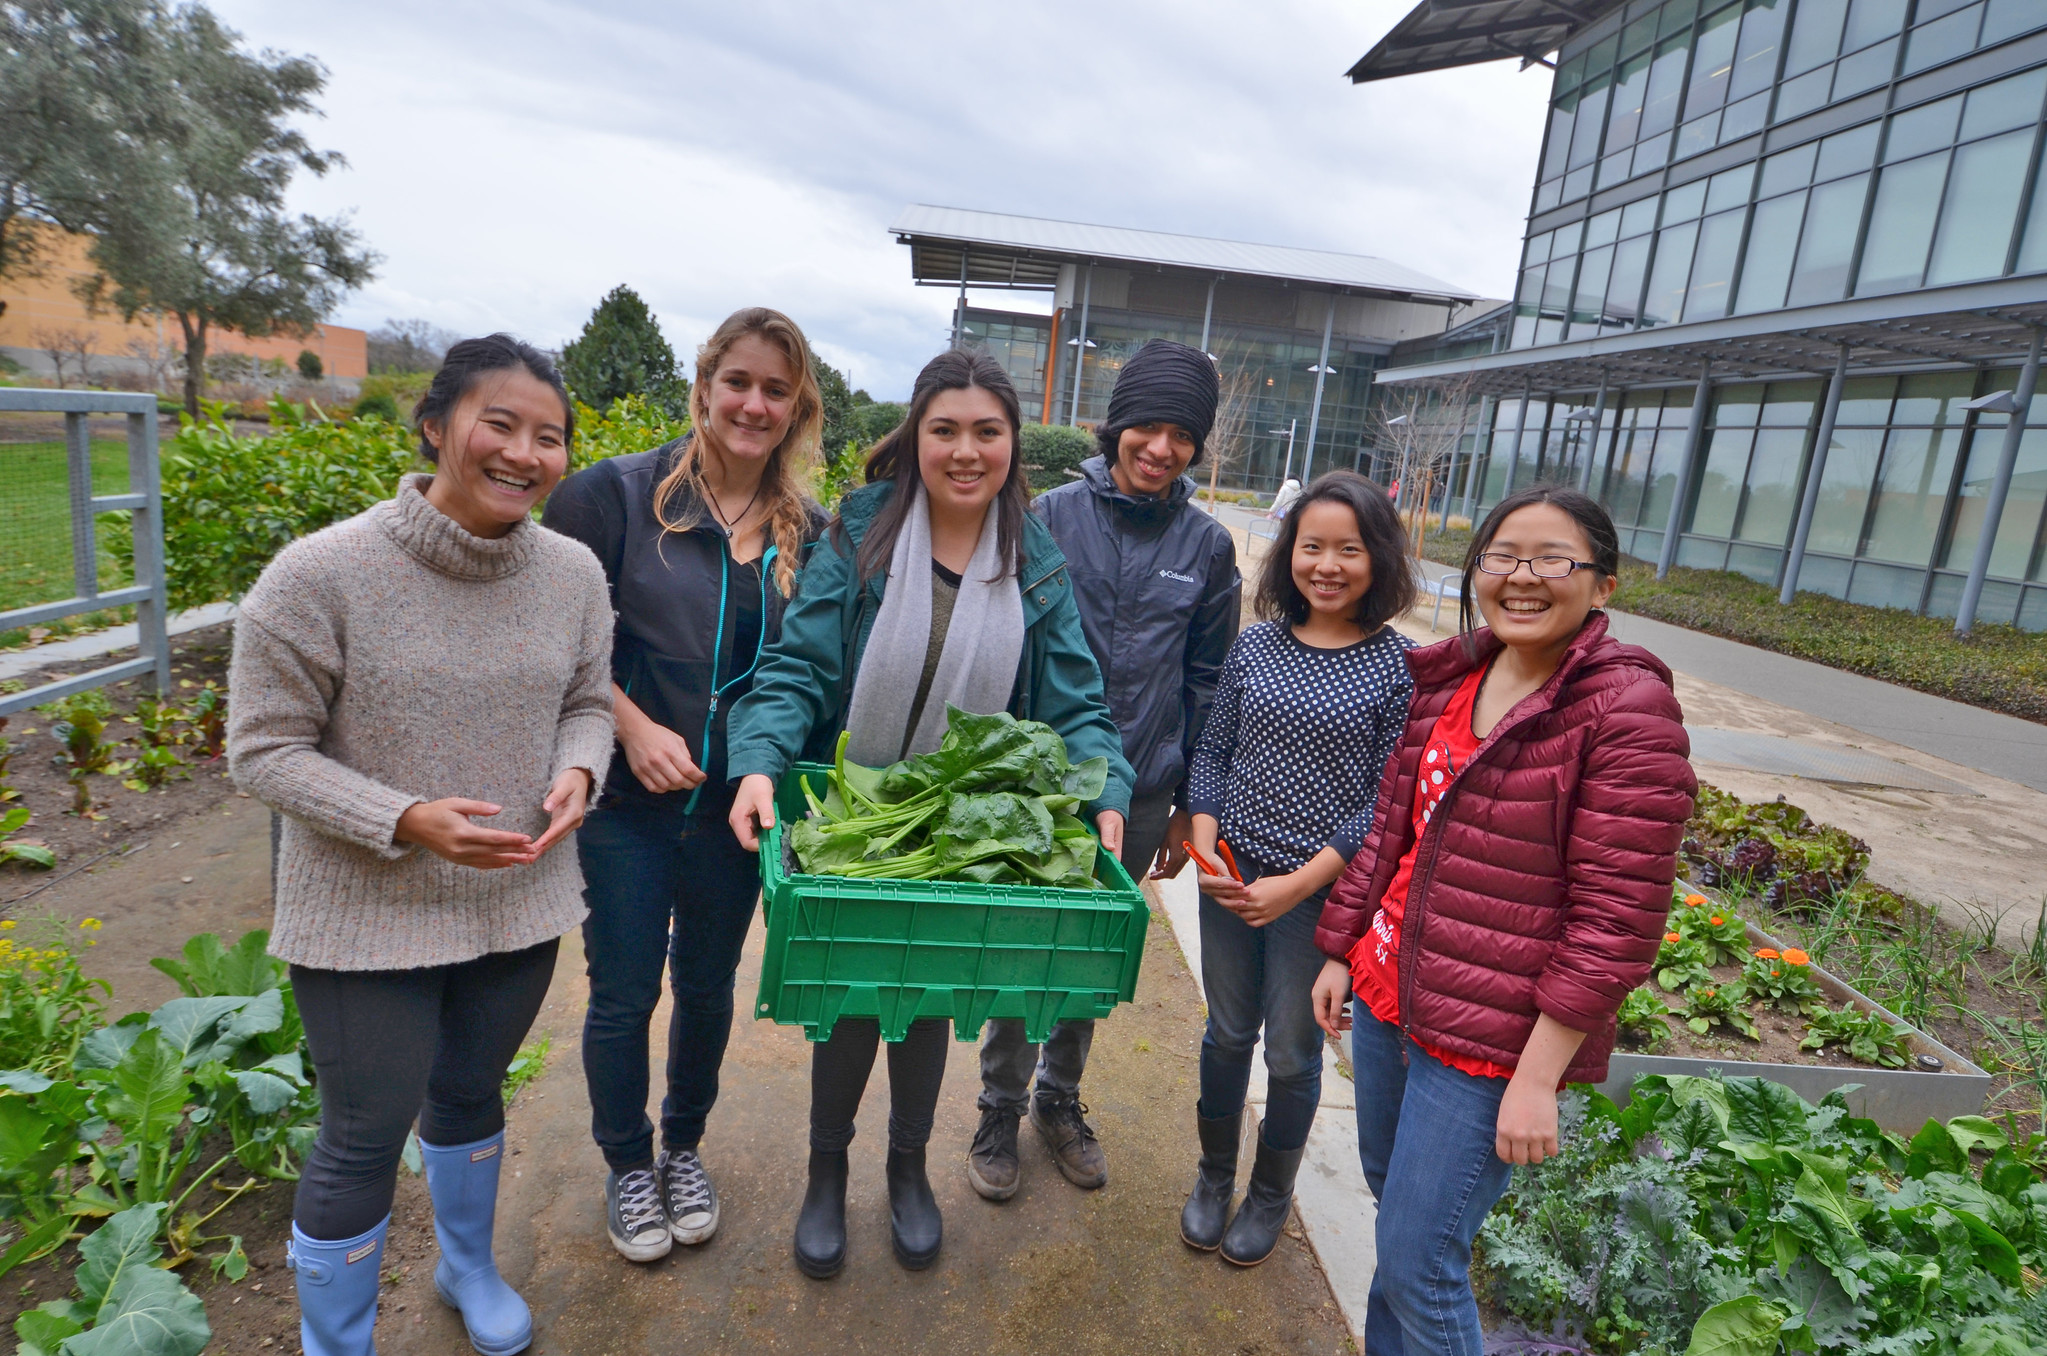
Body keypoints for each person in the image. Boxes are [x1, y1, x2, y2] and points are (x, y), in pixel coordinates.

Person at [229, 335, 614, 1356]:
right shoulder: (321, 575)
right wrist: (403, 820)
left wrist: (582, 767)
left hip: (517, 899)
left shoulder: (572, 573)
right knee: (361, 1134)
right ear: (437, 426)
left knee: (470, 1090)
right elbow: (262, 752)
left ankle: (466, 1265)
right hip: (367, 913)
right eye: (501, 423)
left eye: (550, 436)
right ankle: (336, 1342)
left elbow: (585, 702)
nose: (525, 453)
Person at [724, 349, 1134, 1280]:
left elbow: (1075, 702)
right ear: (915, 438)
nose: (964, 450)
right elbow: (799, 666)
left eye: (986, 431)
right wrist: (758, 762)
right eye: (944, 429)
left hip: (959, 825)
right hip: (859, 819)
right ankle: (826, 1175)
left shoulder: (1032, 555)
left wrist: (1101, 788)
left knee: (925, 1000)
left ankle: (907, 1171)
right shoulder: (861, 529)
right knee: (848, 999)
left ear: (1011, 444)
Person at [1309, 484, 1694, 1356]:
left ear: (1602, 585)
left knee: (1419, 1260)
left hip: (1490, 1040)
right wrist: (1341, 948)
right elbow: (1389, 833)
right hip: (1389, 993)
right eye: (1502, 556)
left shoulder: (1624, 710)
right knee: (1397, 1221)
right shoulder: (1452, 676)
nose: (1522, 577)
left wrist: (1535, 1077)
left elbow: (1617, 917)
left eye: (1552, 558)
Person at [541, 308, 826, 1264]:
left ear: (796, 410)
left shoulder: (807, 535)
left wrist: (766, 775)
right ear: (703, 385)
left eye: (775, 391)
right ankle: (628, 1164)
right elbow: (558, 643)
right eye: (737, 381)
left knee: (706, 991)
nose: (753, 404)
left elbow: (800, 678)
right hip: (625, 803)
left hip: (734, 815)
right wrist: (631, 726)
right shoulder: (613, 498)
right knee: (622, 990)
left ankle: (684, 1149)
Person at [969, 338, 1239, 1201]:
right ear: (1116, 425)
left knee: (1091, 956)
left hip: (1145, 786)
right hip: (1039, 786)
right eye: (1147, 427)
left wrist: (1186, 801)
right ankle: (998, 1104)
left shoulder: (1207, 546)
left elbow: (1207, 682)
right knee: (1021, 952)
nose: (1160, 449)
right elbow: (1001, 646)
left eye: (1181, 435)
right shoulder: (1047, 517)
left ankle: (1059, 1097)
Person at [1181, 470, 1417, 1267]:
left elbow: (1385, 804)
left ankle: (1269, 1194)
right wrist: (1208, 845)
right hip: (1230, 875)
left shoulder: (1397, 668)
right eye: (1311, 546)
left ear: (1377, 560)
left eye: (1348, 549)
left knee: (1290, 1050)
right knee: (1224, 1035)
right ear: (1289, 555)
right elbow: (1214, 752)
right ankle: (1214, 1178)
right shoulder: (1256, 645)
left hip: (1315, 895)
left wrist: (1300, 883)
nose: (1326, 564)